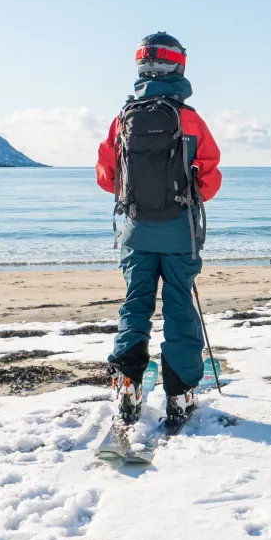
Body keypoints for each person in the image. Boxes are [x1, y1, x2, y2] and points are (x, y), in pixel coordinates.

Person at [95, 32, 222, 426]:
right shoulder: (189, 119)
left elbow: (106, 177)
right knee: (180, 307)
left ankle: (127, 383)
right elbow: (211, 177)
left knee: (136, 304)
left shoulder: (123, 117)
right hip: (179, 231)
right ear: (178, 66)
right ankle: (180, 392)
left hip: (135, 231)